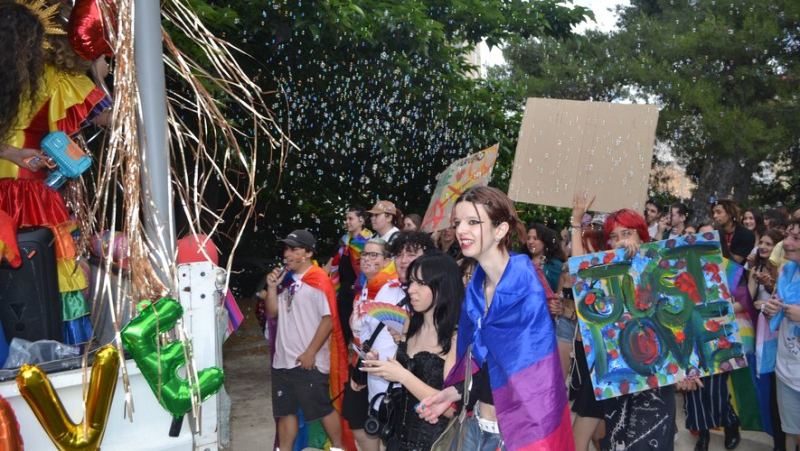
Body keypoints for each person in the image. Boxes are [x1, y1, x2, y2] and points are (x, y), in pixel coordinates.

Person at [419, 186, 574, 450]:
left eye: (472, 222)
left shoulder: (523, 283)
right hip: (477, 422)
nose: (461, 230)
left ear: (500, 230)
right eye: (458, 222)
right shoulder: (477, 287)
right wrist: (453, 393)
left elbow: (526, 374)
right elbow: (487, 364)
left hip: (517, 432)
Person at [0, 0, 112, 344]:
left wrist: (13, 153)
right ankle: (53, 350)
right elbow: (110, 117)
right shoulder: (56, 79)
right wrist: (98, 76)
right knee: (49, 275)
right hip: (33, 197)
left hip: (24, 191)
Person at [597, 208, 702, 450]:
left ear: (643, 237)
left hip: (656, 384)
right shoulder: (603, 279)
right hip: (619, 386)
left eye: (627, 233)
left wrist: (687, 369)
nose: (621, 241)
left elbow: (683, 320)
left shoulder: (663, 269)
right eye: (613, 237)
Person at [361, 251, 462, 450]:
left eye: (421, 283)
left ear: (443, 287)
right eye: (411, 282)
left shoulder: (456, 337)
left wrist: (402, 375)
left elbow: (451, 409)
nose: (411, 290)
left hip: (434, 443)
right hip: (397, 438)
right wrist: (382, 365)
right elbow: (408, 372)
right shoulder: (411, 325)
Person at [262, 230, 347, 451]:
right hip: (283, 360)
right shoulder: (285, 280)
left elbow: (328, 320)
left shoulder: (319, 279)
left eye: (294, 249)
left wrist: (310, 352)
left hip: (309, 360)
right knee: (285, 411)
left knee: (321, 408)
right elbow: (272, 313)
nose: (288, 253)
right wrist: (272, 287)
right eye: (286, 248)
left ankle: (338, 447)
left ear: (308, 253)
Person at [341, 238, 401, 451]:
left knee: (380, 425)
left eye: (374, 255)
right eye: (365, 254)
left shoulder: (393, 289)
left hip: (381, 369)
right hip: (361, 364)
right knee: (359, 422)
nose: (366, 258)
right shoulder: (364, 288)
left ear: (386, 261)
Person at [763, 219, 800, 449]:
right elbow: (775, 314)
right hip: (787, 372)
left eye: (796, 238)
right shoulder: (787, 272)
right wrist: (770, 310)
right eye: (788, 235)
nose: (786, 243)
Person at [326, 205, 373, 345]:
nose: (347, 221)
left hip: (363, 291)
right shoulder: (343, 241)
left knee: (361, 331)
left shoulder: (370, 242)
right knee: (343, 331)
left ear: (361, 220)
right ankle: (342, 365)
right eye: (346, 218)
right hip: (344, 291)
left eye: (350, 218)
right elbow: (330, 264)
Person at [711, 199, 756, 265]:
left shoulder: (746, 235)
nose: (715, 216)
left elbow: (734, 262)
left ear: (730, 214)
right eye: (713, 213)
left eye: (718, 212)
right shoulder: (712, 232)